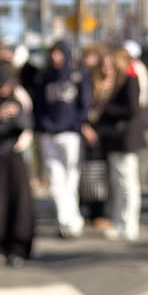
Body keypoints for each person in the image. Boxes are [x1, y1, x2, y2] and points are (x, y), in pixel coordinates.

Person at [32, 41, 89, 238]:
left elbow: (85, 104)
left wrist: (77, 124)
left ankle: (74, 219)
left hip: (70, 134)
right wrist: (42, 127)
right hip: (48, 134)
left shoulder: (78, 76)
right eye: (53, 54)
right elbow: (38, 105)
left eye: (60, 54)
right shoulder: (45, 78)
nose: (56, 58)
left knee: (71, 179)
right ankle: (65, 221)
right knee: (56, 181)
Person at [0, 67, 34, 266]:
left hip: (15, 157)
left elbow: (26, 125)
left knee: (20, 202)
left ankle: (18, 247)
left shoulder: (18, 101)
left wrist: (16, 115)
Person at [94, 47, 146, 242]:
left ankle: (129, 223)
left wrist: (107, 108)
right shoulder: (118, 80)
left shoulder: (130, 79)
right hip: (116, 140)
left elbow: (132, 108)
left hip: (126, 139)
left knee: (127, 182)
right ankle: (119, 221)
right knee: (118, 182)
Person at [79, 46, 114, 227]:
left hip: (108, 134)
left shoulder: (115, 85)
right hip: (90, 132)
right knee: (89, 173)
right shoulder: (89, 83)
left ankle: (101, 212)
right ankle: (88, 211)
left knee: (104, 174)